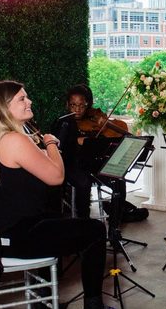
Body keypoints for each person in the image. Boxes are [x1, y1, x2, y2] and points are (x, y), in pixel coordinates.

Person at [0, 81, 123, 309]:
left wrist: (36, 145)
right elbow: (56, 177)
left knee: (54, 216)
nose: (29, 102)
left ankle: (43, 299)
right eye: (22, 99)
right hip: (20, 235)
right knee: (95, 231)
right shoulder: (14, 140)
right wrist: (51, 144)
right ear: (4, 107)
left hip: (4, 231)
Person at [50, 84, 147, 228]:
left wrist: (102, 131)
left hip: (92, 163)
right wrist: (76, 142)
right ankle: (84, 225)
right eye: (73, 105)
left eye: (82, 106)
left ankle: (115, 223)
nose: (77, 109)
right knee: (83, 183)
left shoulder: (93, 119)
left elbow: (104, 145)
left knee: (118, 178)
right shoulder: (63, 122)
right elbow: (58, 149)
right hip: (72, 165)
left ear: (87, 105)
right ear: (67, 105)